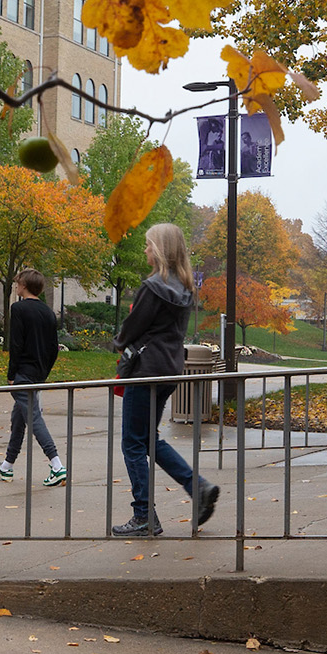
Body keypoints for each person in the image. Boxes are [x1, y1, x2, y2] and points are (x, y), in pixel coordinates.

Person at [109, 223, 220, 537]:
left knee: (132, 443)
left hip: (145, 370)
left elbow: (132, 327)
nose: (145, 250)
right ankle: (197, 487)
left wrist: (119, 342)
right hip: (170, 368)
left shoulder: (153, 286)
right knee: (148, 440)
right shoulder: (185, 287)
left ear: (159, 249)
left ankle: (144, 515)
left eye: (148, 245)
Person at [0, 268, 68, 488]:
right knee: (19, 417)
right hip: (37, 373)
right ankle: (7, 466)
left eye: (18, 283)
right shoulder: (48, 312)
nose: (16, 286)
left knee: (33, 417)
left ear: (24, 285)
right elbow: (54, 348)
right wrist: (43, 372)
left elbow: (16, 344)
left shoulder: (18, 309)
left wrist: (11, 375)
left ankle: (57, 465)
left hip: (23, 373)